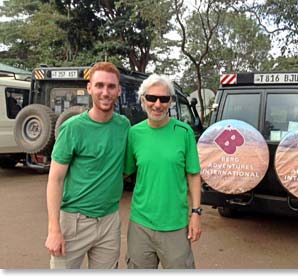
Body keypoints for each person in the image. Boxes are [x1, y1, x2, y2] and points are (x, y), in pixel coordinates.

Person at [44, 62, 130, 269]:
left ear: (119, 90)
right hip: (74, 222)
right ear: (89, 88)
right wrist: (54, 229)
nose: (105, 92)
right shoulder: (72, 128)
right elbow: (55, 179)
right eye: (99, 85)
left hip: (109, 222)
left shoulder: (123, 125)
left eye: (111, 87)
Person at [124, 74, 202, 269]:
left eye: (164, 99)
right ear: (143, 99)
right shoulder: (134, 134)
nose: (157, 104)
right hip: (140, 224)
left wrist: (196, 213)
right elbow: (124, 172)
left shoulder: (184, 132)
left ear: (170, 102)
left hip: (175, 225)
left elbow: (193, 175)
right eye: (151, 98)